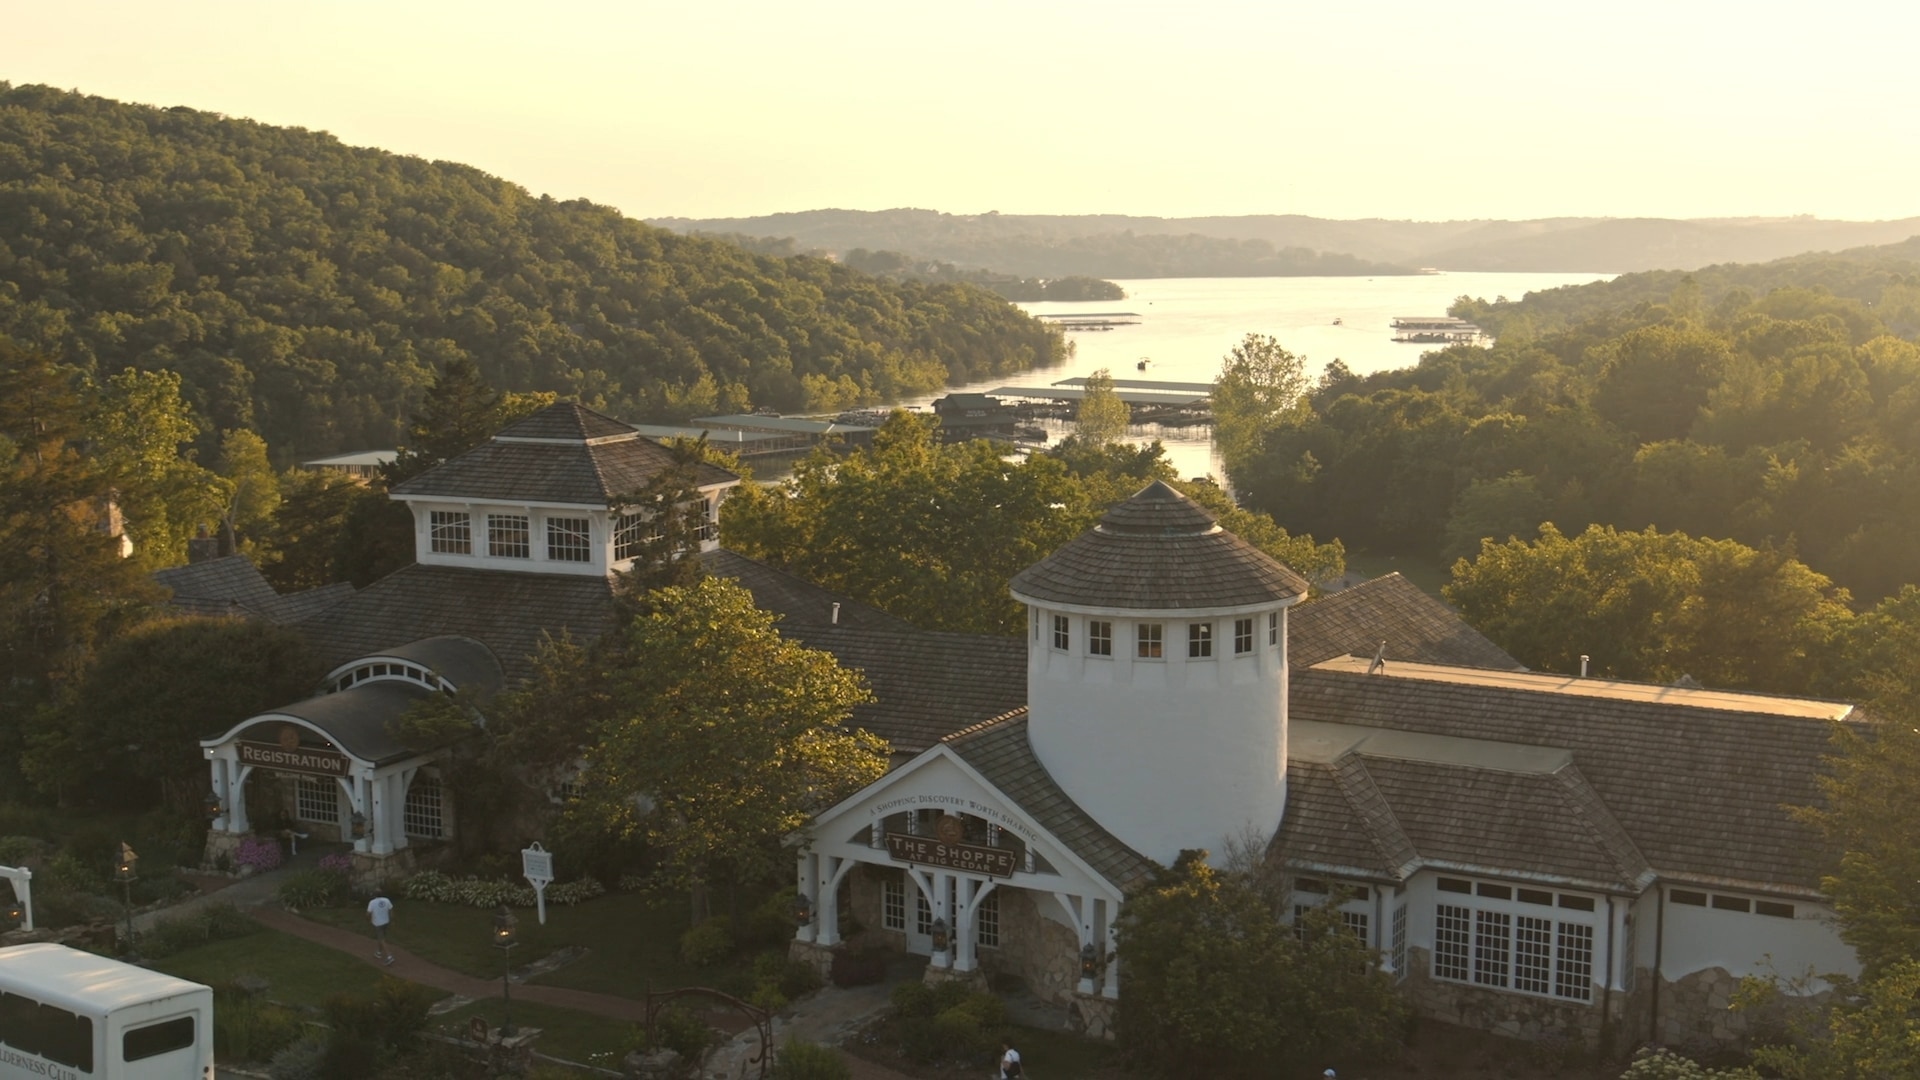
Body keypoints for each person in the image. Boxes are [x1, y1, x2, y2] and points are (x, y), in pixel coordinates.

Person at [367, 890, 395, 965]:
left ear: (374, 895)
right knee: (382, 938)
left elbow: (368, 913)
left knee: (381, 939)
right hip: (386, 922)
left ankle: (389, 956)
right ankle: (379, 952)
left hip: (378, 923)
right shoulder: (387, 900)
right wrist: (391, 920)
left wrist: (368, 919)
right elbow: (391, 910)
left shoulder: (372, 902)